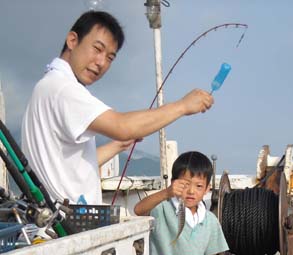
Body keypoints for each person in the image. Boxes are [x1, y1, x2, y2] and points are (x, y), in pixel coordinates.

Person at [21, 10, 214, 204]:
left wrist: (119, 145)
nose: (101, 62)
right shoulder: (63, 89)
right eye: (97, 49)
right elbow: (121, 126)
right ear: (72, 40)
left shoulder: (49, 85)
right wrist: (182, 106)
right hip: (63, 228)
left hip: (59, 223)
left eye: (110, 57)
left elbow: (73, 164)